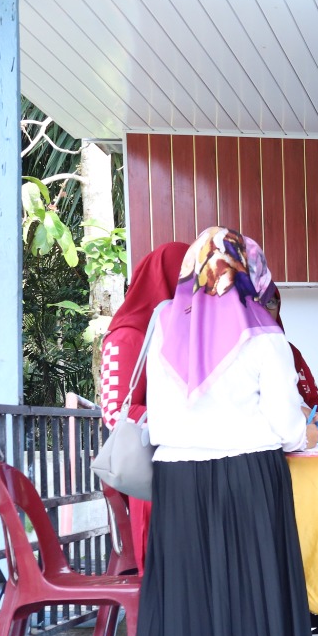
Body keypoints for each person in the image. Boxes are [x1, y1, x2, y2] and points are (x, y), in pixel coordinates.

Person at [106, 228, 318, 636]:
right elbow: (288, 427)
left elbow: (158, 412)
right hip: (248, 476)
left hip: (178, 480)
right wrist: (308, 435)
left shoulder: (163, 322)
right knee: (253, 596)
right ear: (249, 272)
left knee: (187, 599)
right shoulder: (263, 333)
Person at [98, 241, 185, 571]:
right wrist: (177, 422)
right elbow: (115, 412)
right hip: (153, 473)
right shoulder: (127, 335)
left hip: (183, 465)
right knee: (164, 568)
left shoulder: (179, 330)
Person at [250, 238, 318, 410]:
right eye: (259, 303)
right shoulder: (232, 352)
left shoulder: (289, 351)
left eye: (271, 302)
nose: (265, 310)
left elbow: (314, 402)